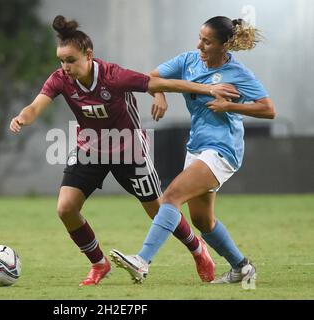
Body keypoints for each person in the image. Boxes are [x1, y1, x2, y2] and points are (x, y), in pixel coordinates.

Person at [10, 15, 239, 286]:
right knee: (66, 208)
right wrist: (22, 118)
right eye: (61, 61)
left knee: (159, 210)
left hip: (130, 150)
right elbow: (36, 106)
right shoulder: (61, 79)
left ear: (89, 55)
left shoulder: (113, 76)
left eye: (71, 60)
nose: (65, 67)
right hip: (90, 150)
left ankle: (198, 250)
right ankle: (99, 264)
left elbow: (163, 83)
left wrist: (207, 88)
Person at [110, 16, 276, 284]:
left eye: (207, 41)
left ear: (224, 46)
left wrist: (230, 106)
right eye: (200, 38)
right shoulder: (188, 60)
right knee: (202, 221)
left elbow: (268, 109)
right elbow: (152, 77)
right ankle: (242, 268)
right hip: (197, 147)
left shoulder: (239, 74)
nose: (200, 45)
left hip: (223, 149)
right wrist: (160, 95)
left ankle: (142, 261)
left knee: (171, 196)